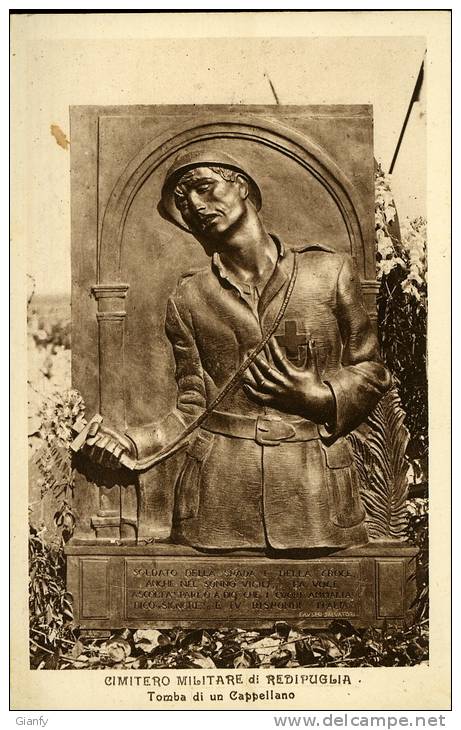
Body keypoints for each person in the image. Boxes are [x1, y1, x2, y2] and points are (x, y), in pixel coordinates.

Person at [85, 148, 391, 551]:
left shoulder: (329, 272)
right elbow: (193, 409)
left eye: (203, 187)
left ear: (241, 186)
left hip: (315, 497)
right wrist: (132, 442)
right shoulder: (189, 298)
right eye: (183, 202)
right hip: (219, 502)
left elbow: (371, 368)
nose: (195, 205)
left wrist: (320, 397)